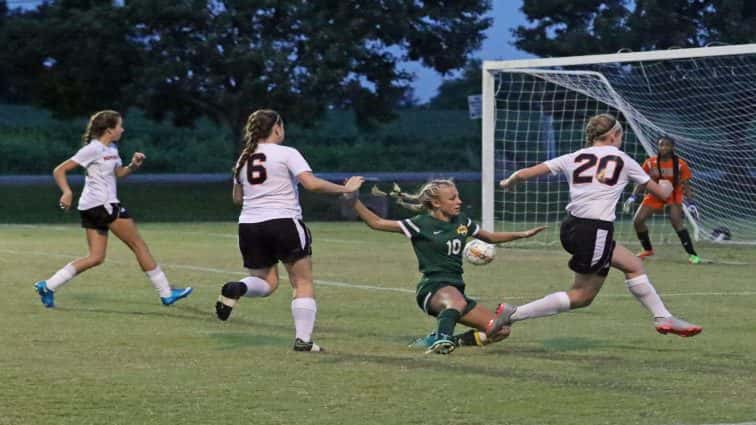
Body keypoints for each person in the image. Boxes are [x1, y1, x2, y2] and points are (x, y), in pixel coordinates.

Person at [490, 114, 702, 338]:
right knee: (581, 296)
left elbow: (523, 174)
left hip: (571, 227)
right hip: (595, 230)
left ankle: (662, 317)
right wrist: (668, 183)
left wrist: (509, 182)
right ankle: (513, 314)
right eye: (621, 135)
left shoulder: (574, 156)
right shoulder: (623, 160)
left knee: (633, 265)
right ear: (614, 135)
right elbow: (662, 193)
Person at [214, 109, 364, 353]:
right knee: (302, 282)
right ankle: (303, 340)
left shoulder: (245, 157)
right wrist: (345, 188)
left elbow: (237, 198)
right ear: (277, 128)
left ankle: (238, 287)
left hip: (249, 226)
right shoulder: (287, 153)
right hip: (283, 222)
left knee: (266, 282)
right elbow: (311, 184)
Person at [346, 179, 545, 354]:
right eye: (452, 198)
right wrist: (352, 198)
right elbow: (377, 222)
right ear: (436, 202)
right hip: (432, 290)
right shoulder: (420, 223)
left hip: (456, 291)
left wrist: (522, 234)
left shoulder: (462, 222)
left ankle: (448, 340)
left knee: (500, 330)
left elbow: (490, 237)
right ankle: (442, 338)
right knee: (455, 301)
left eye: (457, 196)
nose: (458, 201)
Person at [34, 110, 193, 308]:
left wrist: (133, 166)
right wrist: (66, 192)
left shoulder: (112, 149)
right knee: (138, 245)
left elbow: (118, 173)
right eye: (119, 126)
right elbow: (59, 170)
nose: (122, 129)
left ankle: (48, 286)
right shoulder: (93, 149)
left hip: (93, 207)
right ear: (109, 130)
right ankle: (166, 293)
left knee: (96, 257)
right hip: (103, 205)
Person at [622, 136, 701, 264]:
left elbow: (686, 185)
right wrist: (633, 197)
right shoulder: (650, 162)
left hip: (673, 195)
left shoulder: (681, 164)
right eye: (661, 145)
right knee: (638, 220)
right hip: (655, 194)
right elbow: (642, 182)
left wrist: (691, 203)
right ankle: (647, 249)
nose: (663, 147)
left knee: (676, 222)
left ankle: (693, 255)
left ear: (672, 147)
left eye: (667, 145)